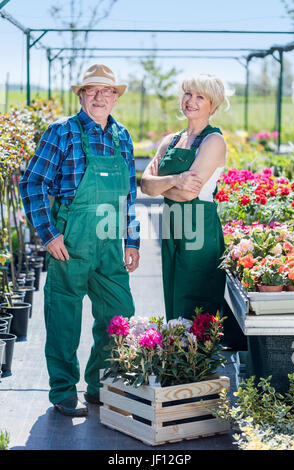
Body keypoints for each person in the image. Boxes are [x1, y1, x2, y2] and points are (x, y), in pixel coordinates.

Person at [19, 64, 140, 417]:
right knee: (64, 316)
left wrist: (132, 240)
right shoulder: (62, 132)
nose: (100, 97)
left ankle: (99, 384)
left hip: (108, 241)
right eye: (92, 91)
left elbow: (128, 195)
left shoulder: (123, 137)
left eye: (107, 91)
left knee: (120, 313)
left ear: (116, 97)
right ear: (82, 95)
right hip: (70, 238)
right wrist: (49, 234)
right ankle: (63, 390)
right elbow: (33, 182)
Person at [141, 74, 228, 322]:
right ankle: (178, 358)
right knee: (174, 297)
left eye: (200, 97)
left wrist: (161, 186)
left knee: (197, 305)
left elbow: (189, 193)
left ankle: (198, 360)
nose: (191, 100)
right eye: (188, 93)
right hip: (172, 226)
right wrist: (176, 181)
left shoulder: (213, 141)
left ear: (213, 105)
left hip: (199, 227)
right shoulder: (170, 140)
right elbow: (145, 185)